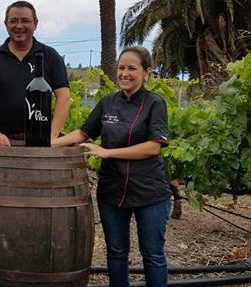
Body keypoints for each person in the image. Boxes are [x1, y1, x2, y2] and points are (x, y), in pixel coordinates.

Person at [52, 46, 171, 287]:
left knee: (152, 254)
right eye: (121, 68)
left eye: (132, 68)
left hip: (149, 191)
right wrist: (51, 142)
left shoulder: (154, 103)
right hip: (112, 191)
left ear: (146, 72)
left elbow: (153, 147)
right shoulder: (107, 102)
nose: (124, 73)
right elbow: (84, 132)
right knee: (116, 253)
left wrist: (108, 152)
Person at [0, 1, 71, 146]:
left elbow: (64, 98)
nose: (19, 26)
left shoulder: (50, 56)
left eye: (25, 21)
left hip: (40, 141)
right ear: (6, 24)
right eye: (14, 21)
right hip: (3, 142)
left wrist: (52, 136)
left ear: (35, 24)